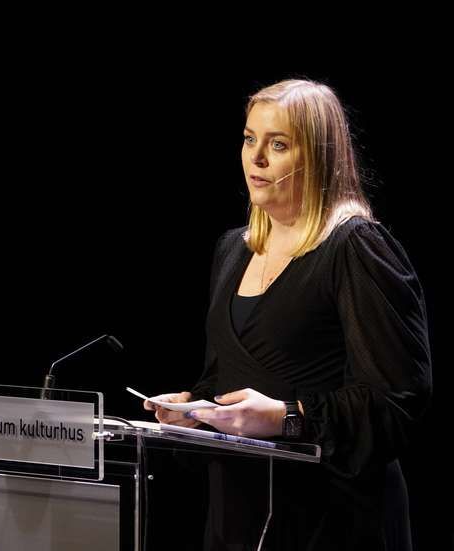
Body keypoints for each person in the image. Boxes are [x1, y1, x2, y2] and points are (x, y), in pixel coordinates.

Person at [143, 79, 431, 550]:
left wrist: (286, 417)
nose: (255, 158)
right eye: (249, 139)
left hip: (329, 519)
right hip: (241, 513)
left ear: (318, 157)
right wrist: (196, 409)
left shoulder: (355, 248)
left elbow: (397, 401)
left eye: (278, 145)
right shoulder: (233, 250)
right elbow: (226, 377)